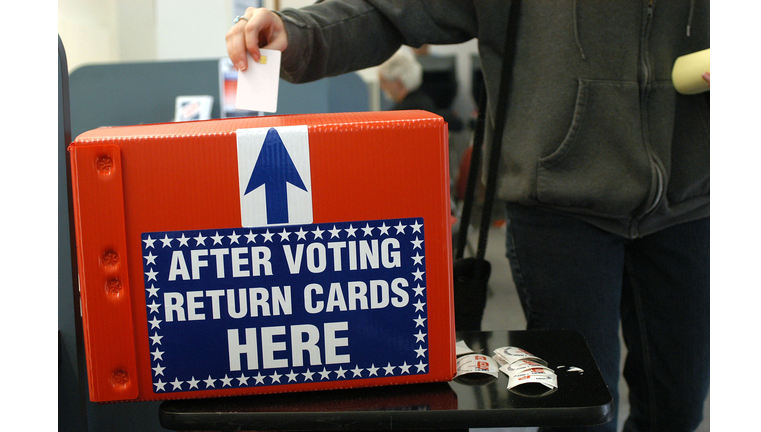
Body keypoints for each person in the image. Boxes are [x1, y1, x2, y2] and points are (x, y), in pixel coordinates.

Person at [227, 2, 710, 431]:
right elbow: (395, 11)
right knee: (581, 414)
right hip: (561, 204)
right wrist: (300, 32)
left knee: (679, 409)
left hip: (691, 195)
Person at [378, 46, 438, 112]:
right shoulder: (426, 103)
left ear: (398, 84)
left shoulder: (399, 113)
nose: (381, 86)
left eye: (383, 81)